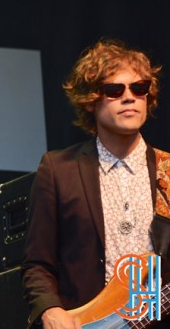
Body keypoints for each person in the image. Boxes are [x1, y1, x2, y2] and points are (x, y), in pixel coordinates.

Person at [22, 38, 170, 328]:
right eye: (115, 90)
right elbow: (37, 264)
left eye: (139, 88)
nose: (129, 97)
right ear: (91, 100)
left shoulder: (167, 170)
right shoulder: (58, 170)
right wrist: (50, 310)